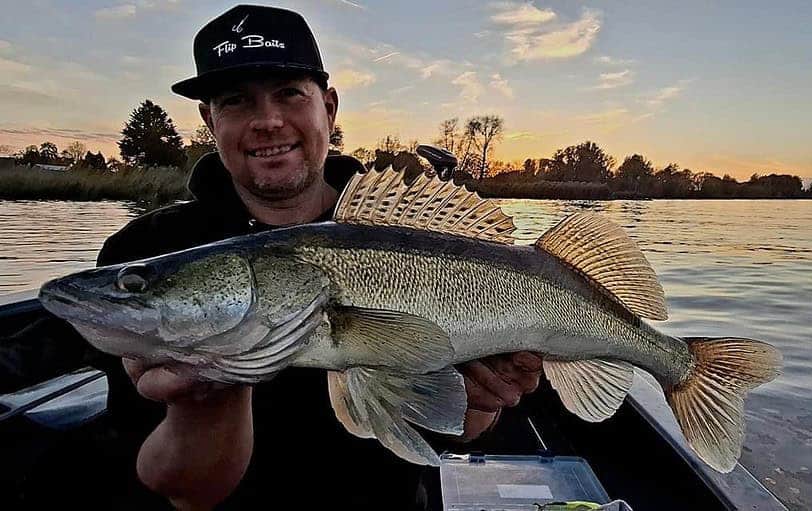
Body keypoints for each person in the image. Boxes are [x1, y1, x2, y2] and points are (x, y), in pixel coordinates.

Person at [71, 4, 542, 509]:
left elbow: (460, 431)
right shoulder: (145, 253)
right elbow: (180, 489)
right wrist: (207, 398)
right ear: (210, 119)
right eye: (236, 101)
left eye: (289, 93)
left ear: (330, 107)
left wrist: (484, 398)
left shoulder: (407, 228)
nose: (268, 121)